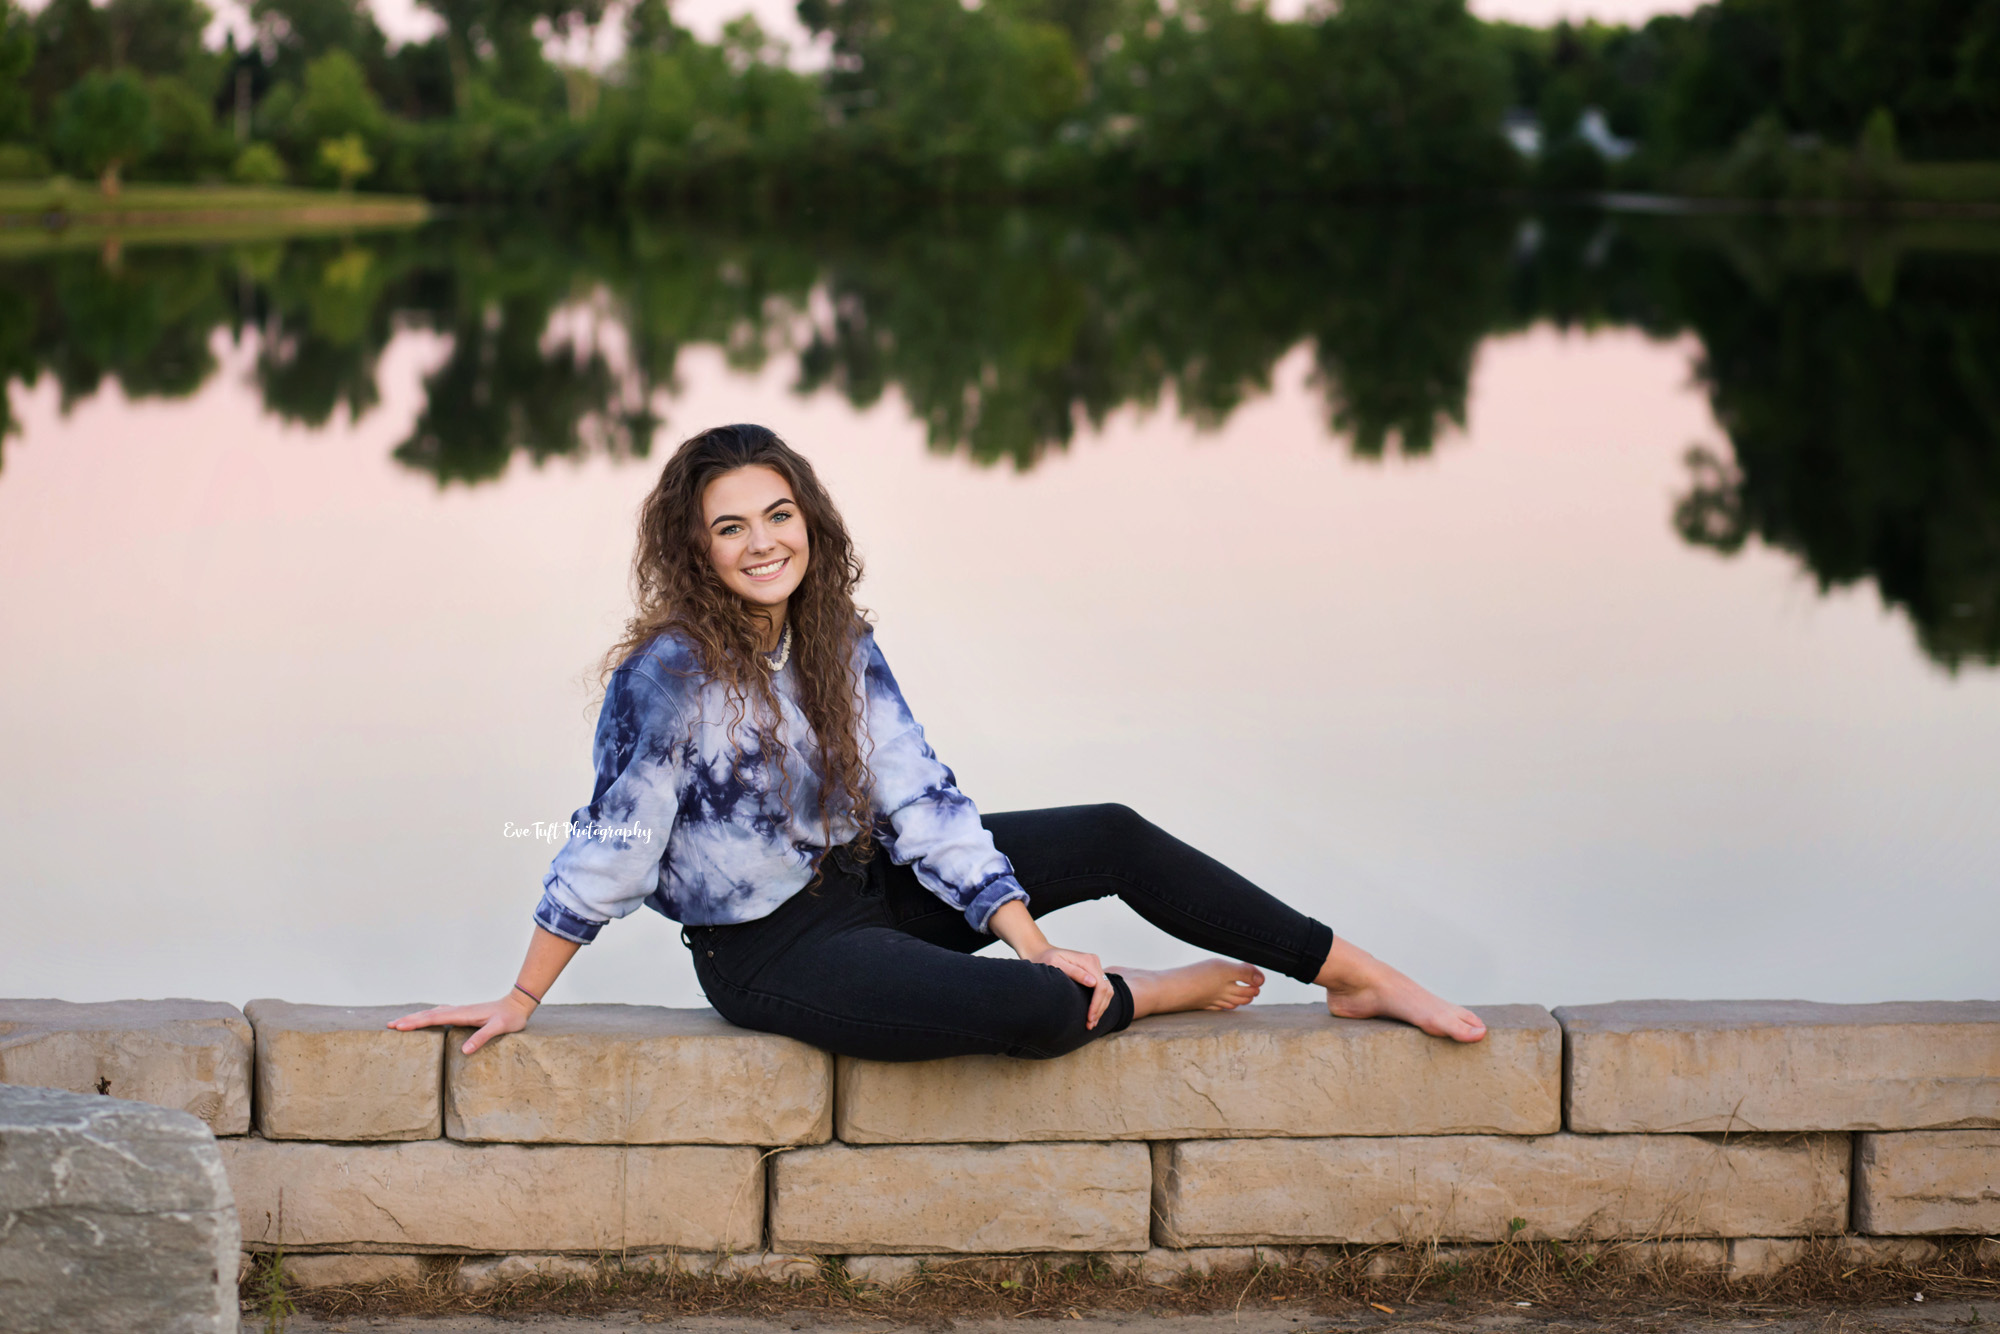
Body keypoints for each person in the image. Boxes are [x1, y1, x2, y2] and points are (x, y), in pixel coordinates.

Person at [392, 424, 1486, 1059]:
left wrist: (1026, 930)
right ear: (694, 549)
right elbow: (614, 846)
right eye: (730, 526)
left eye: (778, 513)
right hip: (767, 952)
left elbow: (919, 800)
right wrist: (523, 994)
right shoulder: (669, 673)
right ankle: (1146, 992)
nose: (762, 541)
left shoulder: (833, 639)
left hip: (863, 884)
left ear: (808, 518)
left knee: (1107, 832)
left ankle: (1356, 974)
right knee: (1030, 1011)